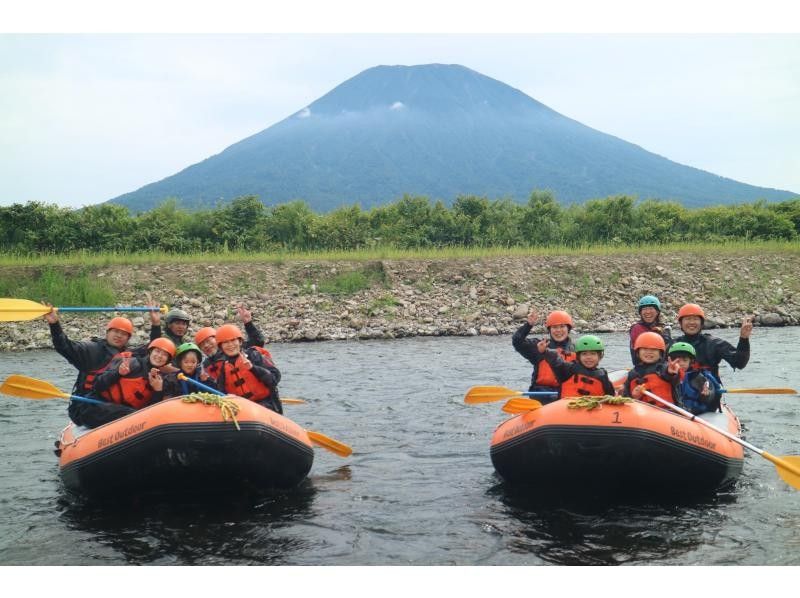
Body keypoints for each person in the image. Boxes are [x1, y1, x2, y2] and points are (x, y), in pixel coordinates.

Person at [81, 338, 176, 428]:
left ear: (167, 360)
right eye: (157, 351)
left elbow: (151, 411)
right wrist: (117, 373)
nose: (159, 356)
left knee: (135, 414)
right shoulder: (132, 364)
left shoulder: (159, 380)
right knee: (132, 414)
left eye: (164, 355)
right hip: (96, 408)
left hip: (123, 415)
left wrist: (158, 391)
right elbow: (97, 386)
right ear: (150, 351)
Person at [44, 304, 132, 399]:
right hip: (89, 405)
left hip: (114, 404)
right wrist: (55, 325)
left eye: (123, 334)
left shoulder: (130, 356)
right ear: (107, 332)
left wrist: (151, 325)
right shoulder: (92, 349)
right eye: (115, 331)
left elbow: (149, 354)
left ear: (128, 338)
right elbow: (64, 346)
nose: (119, 336)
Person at [206, 323, 282, 413]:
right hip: (243, 410)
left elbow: (275, 378)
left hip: (267, 405)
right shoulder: (223, 368)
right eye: (225, 342)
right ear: (221, 347)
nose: (230, 345)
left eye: (233, 340)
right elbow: (221, 393)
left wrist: (253, 368)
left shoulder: (254, 355)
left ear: (240, 342)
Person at [672, 303, 752, 383]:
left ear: (701, 323)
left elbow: (739, 363)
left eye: (695, 319)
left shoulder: (714, 344)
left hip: (710, 392)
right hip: (680, 392)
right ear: (681, 323)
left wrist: (743, 339)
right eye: (688, 319)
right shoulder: (672, 345)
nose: (692, 322)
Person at [512, 309, 576, 404]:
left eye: (562, 327)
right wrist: (528, 325)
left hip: (565, 396)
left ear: (568, 329)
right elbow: (517, 341)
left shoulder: (577, 350)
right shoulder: (540, 346)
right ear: (550, 330)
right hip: (541, 396)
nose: (558, 330)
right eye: (554, 327)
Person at [535, 334, 616, 399]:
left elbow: (610, 397)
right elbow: (556, 361)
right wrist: (545, 351)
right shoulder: (569, 369)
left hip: (591, 414)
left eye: (593, 354)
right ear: (578, 357)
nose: (589, 357)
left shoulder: (602, 376)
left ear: (600, 357)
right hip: (566, 412)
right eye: (584, 354)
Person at [622, 331, 682, 407]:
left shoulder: (663, 368)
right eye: (644, 349)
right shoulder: (632, 374)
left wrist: (671, 373)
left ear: (660, 353)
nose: (649, 352)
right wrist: (634, 396)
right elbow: (625, 397)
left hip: (667, 412)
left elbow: (672, 378)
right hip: (642, 413)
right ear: (638, 352)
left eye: (653, 349)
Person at [668, 341, 723, 415]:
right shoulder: (666, 375)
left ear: (691, 362)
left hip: (696, 413)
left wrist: (705, 396)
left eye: (685, 360)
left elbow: (710, 394)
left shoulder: (697, 377)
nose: (681, 363)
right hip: (673, 412)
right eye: (677, 361)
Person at [194, 304, 266, 358]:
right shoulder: (206, 367)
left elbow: (258, 342)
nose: (206, 346)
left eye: (208, 341)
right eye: (202, 345)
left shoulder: (236, 348)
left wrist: (248, 323)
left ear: (217, 339)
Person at [628, 295, 672, 365]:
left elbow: (667, 349)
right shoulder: (636, 328)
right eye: (644, 309)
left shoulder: (665, 328)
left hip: (662, 367)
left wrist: (666, 336)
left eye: (651, 308)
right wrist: (657, 335)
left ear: (657, 312)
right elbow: (643, 349)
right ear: (640, 313)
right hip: (642, 367)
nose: (648, 312)